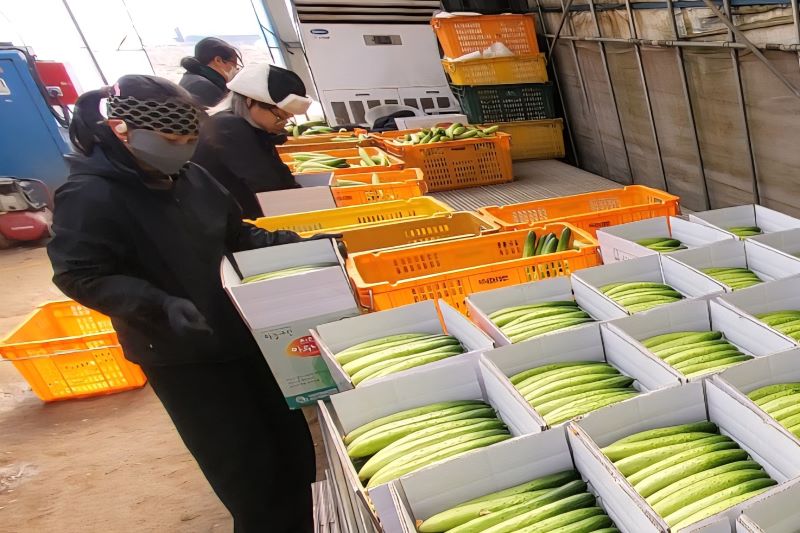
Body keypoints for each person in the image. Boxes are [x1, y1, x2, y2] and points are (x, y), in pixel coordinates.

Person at [47, 74, 322, 533]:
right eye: (171, 142)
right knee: (247, 472)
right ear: (122, 130)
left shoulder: (192, 177)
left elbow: (236, 236)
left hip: (244, 333)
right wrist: (158, 303)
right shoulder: (91, 194)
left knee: (291, 450)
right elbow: (78, 273)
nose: (182, 151)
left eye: (190, 140)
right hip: (182, 354)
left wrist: (303, 246)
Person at [192, 63, 312, 219]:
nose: (283, 124)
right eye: (280, 116)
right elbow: (265, 183)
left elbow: (281, 176)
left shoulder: (250, 127)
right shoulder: (227, 127)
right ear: (250, 101)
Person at [179, 37, 241, 107]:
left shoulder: (192, 77)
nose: (236, 68)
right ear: (218, 60)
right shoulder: (204, 87)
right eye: (234, 63)